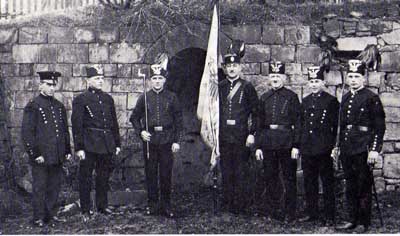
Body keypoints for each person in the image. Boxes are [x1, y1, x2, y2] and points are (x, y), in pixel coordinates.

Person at [335, 59, 386, 233]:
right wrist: (339, 146)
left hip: (363, 147)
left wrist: (374, 149)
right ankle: (352, 218)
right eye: (351, 76)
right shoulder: (346, 96)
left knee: (363, 185)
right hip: (348, 147)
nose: (354, 80)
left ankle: (363, 222)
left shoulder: (371, 98)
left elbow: (379, 127)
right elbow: (342, 125)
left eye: (357, 76)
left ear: (363, 78)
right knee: (350, 184)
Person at [129, 54, 183, 218]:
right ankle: (152, 205)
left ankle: (166, 205)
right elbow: (134, 118)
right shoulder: (144, 98)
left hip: (166, 140)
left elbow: (178, 121)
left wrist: (176, 141)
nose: (157, 81)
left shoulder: (172, 97)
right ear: (150, 81)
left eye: (160, 78)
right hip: (150, 141)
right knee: (151, 174)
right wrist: (141, 132)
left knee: (166, 174)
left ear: (164, 80)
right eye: (155, 79)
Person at [71, 65, 121, 222]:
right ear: (88, 81)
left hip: (106, 143)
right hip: (89, 144)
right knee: (85, 177)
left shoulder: (107, 99)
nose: (100, 81)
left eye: (101, 78)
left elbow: (113, 122)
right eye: (96, 78)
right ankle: (85, 209)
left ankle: (102, 206)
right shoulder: (80, 100)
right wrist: (79, 147)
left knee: (103, 176)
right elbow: (77, 125)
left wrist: (117, 143)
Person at [21, 71, 71, 227]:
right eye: (48, 85)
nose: (52, 88)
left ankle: (50, 214)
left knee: (54, 186)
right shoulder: (33, 106)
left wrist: (67, 150)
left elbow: (64, 131)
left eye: (54, 85)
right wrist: (35, 153)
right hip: (41, 156)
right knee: (40, 187)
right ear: (40, 85)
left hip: (56, 155)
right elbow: (27, 132)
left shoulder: (59, 106)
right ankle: (38, 217)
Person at [255, 61, 301, 223]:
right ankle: (273, 210)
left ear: (284, 78)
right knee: (270, 177)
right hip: (268, 142)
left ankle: (290, 212)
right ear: (269, 77)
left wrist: (296, 145)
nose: (275, 79)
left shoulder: (292, 97)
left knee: (289, 178)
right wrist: (258, 146)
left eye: (278, 76)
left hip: (286, 143)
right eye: (272, 76)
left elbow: (298, 122)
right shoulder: (264, 98)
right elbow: (258, 123)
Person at [218, 41, 259, 214]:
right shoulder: (220, 87)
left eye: (235, 65)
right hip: (224, 135)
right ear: (225, 69)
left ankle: (240, 204)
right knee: (226, 170)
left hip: (241, 134)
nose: (232, 69)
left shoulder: (247, 87)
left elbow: (256, 113)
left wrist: (252, 133)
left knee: (241, 170)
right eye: (229, 66)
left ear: (240, 68)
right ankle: (227, 202)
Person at [298, 66, 338, 226]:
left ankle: (329, 214)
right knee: (309, 181)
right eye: (311, 81)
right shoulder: (305, 101)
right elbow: (302, 124)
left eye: (317, 81)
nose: (314, 84)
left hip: (324, 148)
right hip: (308, 148)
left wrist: (333, 146)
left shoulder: (331, 101)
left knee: (327, 182)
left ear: (323, 82)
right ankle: (312, 212)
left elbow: (335, 127)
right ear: (308, 83)